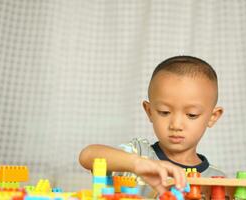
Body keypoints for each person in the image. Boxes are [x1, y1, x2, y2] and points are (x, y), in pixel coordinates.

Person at [79, 55, 225, 197]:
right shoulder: (138, 153)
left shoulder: (217, 181)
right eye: (164, 112)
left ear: (213, 117)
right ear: (149, 111)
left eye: (191, 115)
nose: (176, 125)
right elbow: (87, 155)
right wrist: (137, 164)